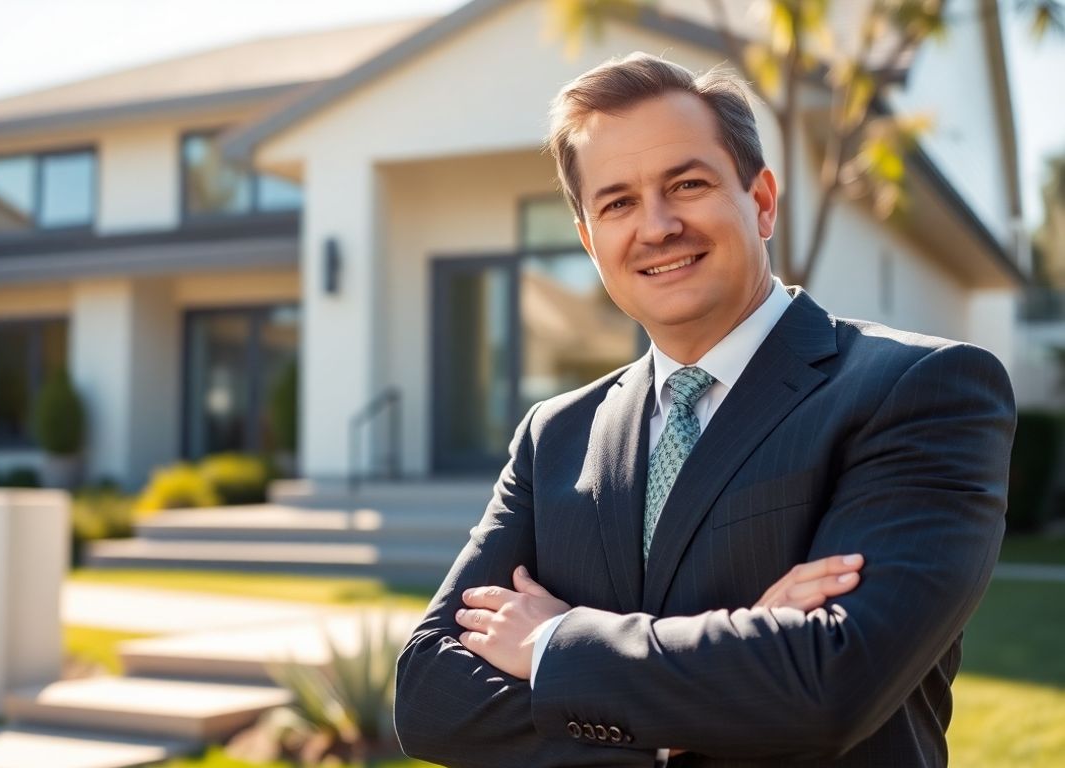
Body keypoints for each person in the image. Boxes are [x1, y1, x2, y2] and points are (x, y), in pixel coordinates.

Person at [393, 52, 1016, 767]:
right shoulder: (556, 435)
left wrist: (554, 644)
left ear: (762, 202)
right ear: (590, 240)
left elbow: (832, 682)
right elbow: (430, 699)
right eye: (618, 202)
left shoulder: (921, 391)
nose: (656, 227)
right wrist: (724, 674)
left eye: (686, 184)